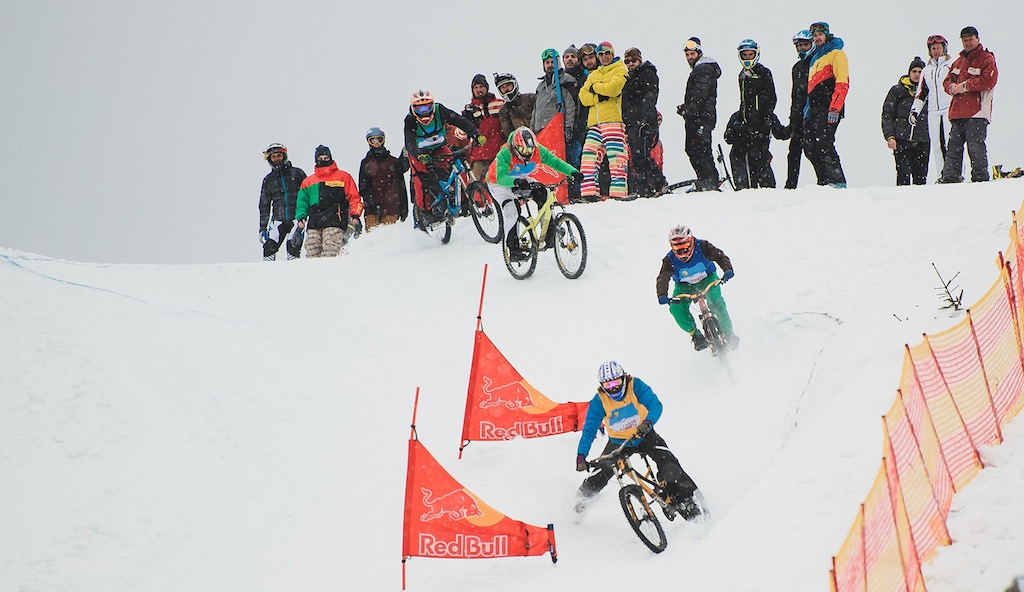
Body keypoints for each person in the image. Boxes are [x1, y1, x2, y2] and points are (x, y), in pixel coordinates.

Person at [574, 360, 703, 520]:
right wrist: (581, 456)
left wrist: (647, 422)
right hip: (618, 442)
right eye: (608, 385)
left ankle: (688, 502)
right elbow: (589, 430)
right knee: (601, 473)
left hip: (644, 435)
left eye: (616, 382)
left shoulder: (635, 386)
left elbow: (655, 404)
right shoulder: (600, 401)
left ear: (624, 378)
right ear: (602, 386)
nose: (613, 388)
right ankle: (578, 504)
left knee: (669, 465)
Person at [487, 126, 581, 260]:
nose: (527, 153)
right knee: (512, 210)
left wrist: (573, 172)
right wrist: (516, 181)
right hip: (498, 183)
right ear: (515, 147)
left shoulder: (537, 150)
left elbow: (555, 162)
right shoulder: (505, 153)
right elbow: (501, 177)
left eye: (530, 150)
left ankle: (548, 231)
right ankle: (512, 249)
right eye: (523, 150)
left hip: (522, 178)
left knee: (543, 192)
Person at [403, 89, 482, 224]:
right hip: (420, 153)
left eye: (427, 107)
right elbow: (409, 142)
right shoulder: (410, 120)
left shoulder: (440, 111)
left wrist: (475, 133)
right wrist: (419, 155)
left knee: (456, 166)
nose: (424, 111)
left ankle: (464, 201)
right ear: (413, 108)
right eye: (420, 108)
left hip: (439, 147)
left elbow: (459, 121)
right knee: (421, 179)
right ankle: (426, 211)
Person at [655, 224, 736, 351]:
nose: (682, 251)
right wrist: (662, 294)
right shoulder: (669, 260)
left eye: (685, 246)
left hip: (708, 279)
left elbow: (720, 256)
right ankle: (695, 335)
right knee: (676, 309)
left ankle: (730, 335)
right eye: (677, 247)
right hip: (684, 287)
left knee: (717, 303)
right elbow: (663, 277)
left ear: (691, 241)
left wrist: (727, 269)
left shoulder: (703, 247)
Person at [939, 26, 998, 184]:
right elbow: (947, 81)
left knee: (976, 147)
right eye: (965, 40)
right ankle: (950, 178)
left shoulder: (986, 59)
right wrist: (950, 87)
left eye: (970, 39)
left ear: (977, 39)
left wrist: (964, 86)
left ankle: (980, 178)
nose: (967, 43)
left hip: (977, 113)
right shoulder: (958, 61)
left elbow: (989, 80)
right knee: (953, 148)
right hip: (957, 113)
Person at [578, 41, 629, 201]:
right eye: (601, 54)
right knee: (588, 155)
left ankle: (618, 193)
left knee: (616, 158)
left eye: (607, 53)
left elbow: (614, 88)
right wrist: (601, 95)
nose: (604, 57)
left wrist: (596, 88)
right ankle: (589, 193)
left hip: (613, 119)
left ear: (612, 54)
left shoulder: (620, 68)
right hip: (594, 123)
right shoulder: (594, 74)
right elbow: (583, 96)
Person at [295, 145, 363, 258]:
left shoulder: (343, 177)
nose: (323, 160)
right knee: (312, 253)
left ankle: (330, 274)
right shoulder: (308, 181)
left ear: (330, 158)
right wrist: (301, 218)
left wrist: (355, 215)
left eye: (325, 158)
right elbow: (302, 202)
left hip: (335, 220)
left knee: (330, 252)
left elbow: (354, 198)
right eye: (320, 158)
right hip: (314, 223)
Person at [803, 21, 849, 188]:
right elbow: (810, 89)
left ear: (827, 35)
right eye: (814, 36)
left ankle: (837, 180)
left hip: (829, 107)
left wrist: (835, 107)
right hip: (814, 109)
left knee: (824, 142)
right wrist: (806, 111)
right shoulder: (814, 59)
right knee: (809, 146)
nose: (817, 38)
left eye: (820, 35)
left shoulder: (837, 54)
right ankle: (823, 180)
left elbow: (843, 82)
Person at [728, 39, 777, 190]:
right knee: (738, 154)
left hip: (761, 125)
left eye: (751, 55)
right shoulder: (742, 75)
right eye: (745, 55)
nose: (748, 58)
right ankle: (744, 188)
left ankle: (768, 189)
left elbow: (771, 99)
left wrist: (763, 120)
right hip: (746, 125)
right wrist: (738, 122)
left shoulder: (763, 72)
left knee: (759, 158)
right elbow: (743, 101)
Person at [676, 37, 722, 192]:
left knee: (700, 149)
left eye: (692, 54)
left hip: (701, 118)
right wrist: (686, 107)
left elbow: (701, 95)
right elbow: (699, 95)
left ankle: (709, 181)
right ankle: (706, 180)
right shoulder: (700, 69)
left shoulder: (703, 69)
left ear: (699, 53)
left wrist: (689, 110)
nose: (689, 57)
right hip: (698, 117)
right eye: (687, 55)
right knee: (694, 148)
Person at [622, 47, 667, 198]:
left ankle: (660, 183)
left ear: (639, 60)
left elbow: (650, 97)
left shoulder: (647, 73)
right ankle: (642, 189)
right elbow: (627, 103)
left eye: (633, 60)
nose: (630, 64)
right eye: (627, 61)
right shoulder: (629, 78)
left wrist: (645, 119)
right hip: (633, 123)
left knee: (642, 155)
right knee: (635, 157)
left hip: (644, 121)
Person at [911, 35, 955, 183]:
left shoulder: (951, 65)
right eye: (933, 48)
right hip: (933, 111)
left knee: (952, 142)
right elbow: (921, 93)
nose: (936, 51)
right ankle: (941, 175)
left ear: (944, 48)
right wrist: (914, 111)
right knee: (936, 144)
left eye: (938, 48)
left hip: (949, 107)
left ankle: (955, 174)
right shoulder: (926, 70)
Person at [881, 58, 930, 186]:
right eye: (914, 71)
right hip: (901, 139)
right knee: (903, 175)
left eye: (920, 72)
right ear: (909, 72)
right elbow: (888, 115)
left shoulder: (929, 91)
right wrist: (889, 136)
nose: (917, 74)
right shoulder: (897, 90)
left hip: (923, 139)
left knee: (921, 178)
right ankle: (902, 202)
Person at [258, 143, 307, 261]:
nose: (276, 159)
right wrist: (262, 227)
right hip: (278, 220)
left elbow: (307, 195)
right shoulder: (268, 179)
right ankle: (268, 274)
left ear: (284, 156)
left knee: (293, 245)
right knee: (269, 246)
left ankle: (294, 273)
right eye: (273, 157)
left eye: (279, 155)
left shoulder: (297, 173)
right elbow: (264, 204)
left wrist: (306, 215)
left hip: (297, 218)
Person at [358, 127, 410, 230]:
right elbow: (363, 186)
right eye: (373, 140)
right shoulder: (366, 163)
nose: (376, 143)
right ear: (368, 142)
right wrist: (371, 201)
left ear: (383, 140)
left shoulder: (393, 162)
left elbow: (401, 184)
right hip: (372, 210)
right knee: (372, 240)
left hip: (391, 208)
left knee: (388, 238)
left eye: (379, 139)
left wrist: (404, 208)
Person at [782, 30, 813, 189]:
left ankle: (825, 181)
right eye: (799, 45)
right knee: (793, 151)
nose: (802, 48)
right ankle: (790, 185)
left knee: (812, 150)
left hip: (812, 114)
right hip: (798, 115)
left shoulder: (816, 62)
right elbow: (795, 94)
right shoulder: (796, 67)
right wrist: (792, 117)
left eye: (805, 44)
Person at [532, 48, 578, 153]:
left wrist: (568, 127)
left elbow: (570, 106)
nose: (550, 65)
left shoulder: (565, 80)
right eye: (547, 63)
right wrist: (533, 130)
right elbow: (536, 109)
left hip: (555, 129)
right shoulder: (541, 86)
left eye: (553, 62)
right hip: (540, 131)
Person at [462, 74, 505, 182]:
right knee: (475, 187)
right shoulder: (470, 109)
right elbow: (463, 135)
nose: (479, 90)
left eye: (481, 86)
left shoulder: (499, 104)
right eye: (476, 88)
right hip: (478, 155)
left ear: (486, 87)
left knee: (499, 184)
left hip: (498, 152)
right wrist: (466, 121)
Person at [495, 73, 537, 139]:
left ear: (515, 85)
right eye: (503, 87)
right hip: (523, 144)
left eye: (508, 85)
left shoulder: (531, 98)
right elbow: (509, 133)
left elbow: (541, 116)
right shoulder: (503, 111)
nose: (506, 89)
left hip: (542, 135)